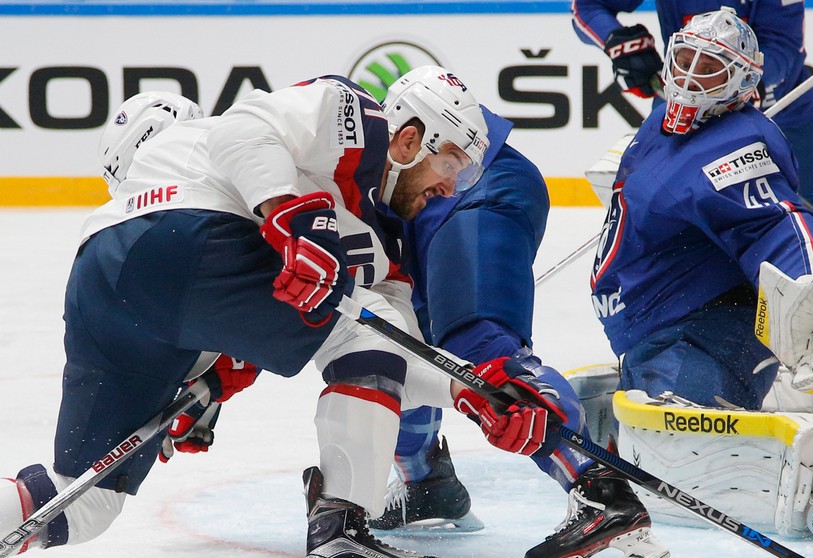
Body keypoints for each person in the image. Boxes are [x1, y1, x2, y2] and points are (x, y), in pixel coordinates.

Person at [0, 66, 567, 558]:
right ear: (411, 139)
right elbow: (244, 129)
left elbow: (394, 352)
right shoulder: (353, 116)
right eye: (452, 166)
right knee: (361, 334)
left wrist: (475, 392)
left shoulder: (385, 254)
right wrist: (286, 212)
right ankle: (341, 524)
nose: (452, 189)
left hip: (105, 277)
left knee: (82, 499)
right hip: (194, 233)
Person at [587, 8, 813, 538]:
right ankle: (797, 408)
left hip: (702, 333)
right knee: (642, 439)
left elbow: (780, 224)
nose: (690, 77)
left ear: (740, 81)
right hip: (665, 327)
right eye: (683, 59)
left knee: (681, 462)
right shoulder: (667, 118)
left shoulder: (735, 146)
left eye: (710, 68)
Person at [368, 106, 669, 558]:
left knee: (479, 346)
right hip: (426, 208)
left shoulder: (346, 134)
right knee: (399, 341)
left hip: (476, 188)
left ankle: (602, 494)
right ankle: (425, 482)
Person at [572, 0, 813, 280]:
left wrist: (737, 89)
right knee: (669, 223)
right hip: (684, 107)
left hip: (785, 108)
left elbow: (782, 45)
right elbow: (589, 6)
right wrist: (619, 42)